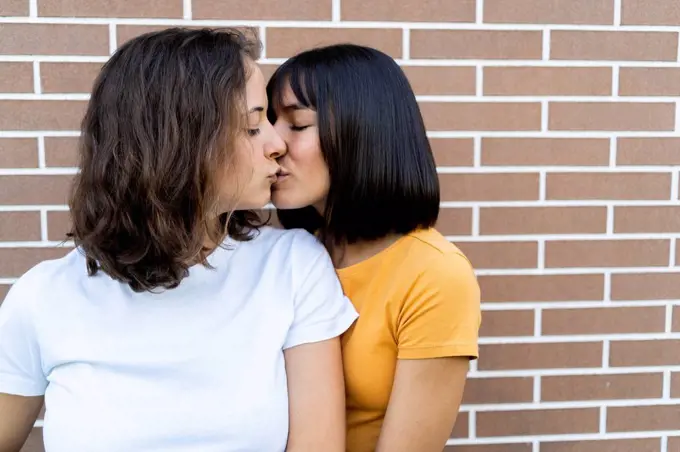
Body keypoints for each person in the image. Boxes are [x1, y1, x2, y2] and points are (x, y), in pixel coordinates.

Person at [0, 28, 357, 452]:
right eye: (251, 126)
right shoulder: (44, 296)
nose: (277, 143)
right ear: (180, 144)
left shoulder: (293, 268)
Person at [266, 43, 482, 452]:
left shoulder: (434, 275)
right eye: (270, 121)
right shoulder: (292, 256)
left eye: (297, 125)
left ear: (362, 131)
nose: (274, 143)